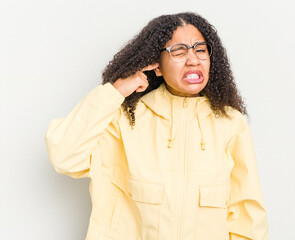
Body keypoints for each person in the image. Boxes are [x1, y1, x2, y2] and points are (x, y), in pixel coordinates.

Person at [44, 12, 269, 240]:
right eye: (179, 51)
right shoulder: (125, 119)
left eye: (200, 50)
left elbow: (247, 216)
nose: (193, 59)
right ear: (157, 66)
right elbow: (64, 156)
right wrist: (115, 92)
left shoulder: (230, 124)